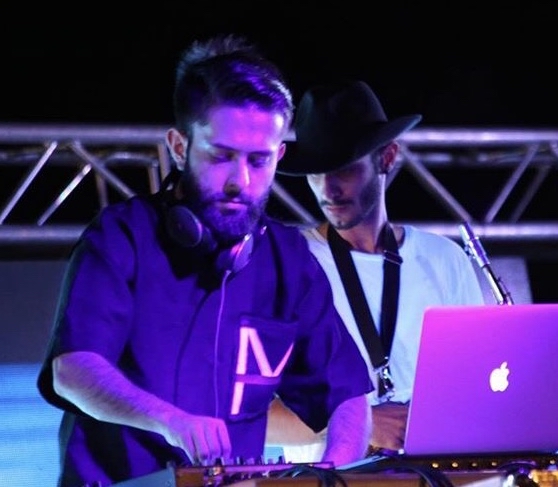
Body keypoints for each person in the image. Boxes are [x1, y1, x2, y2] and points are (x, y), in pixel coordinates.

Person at [36, 35, 373, 487]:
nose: (240, 180)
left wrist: (332, 477)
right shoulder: (122, 236)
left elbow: (348, 397)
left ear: (280, 155)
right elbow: (73, 369)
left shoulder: (289, 261)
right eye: (221, 156)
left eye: (259, 160)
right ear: (179, 146)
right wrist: (169, 420)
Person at [267, 80, 486, 461]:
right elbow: (251, 416)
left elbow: (481, 388)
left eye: (343, 170)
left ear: (387, 157)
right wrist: (362, 421)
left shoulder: (445, 259)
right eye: (316, 173)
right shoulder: (286, 261)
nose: (328, 189)